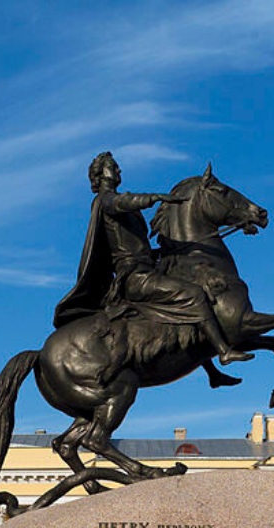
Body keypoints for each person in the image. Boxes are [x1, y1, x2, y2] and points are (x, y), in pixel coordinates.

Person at [54, 152, 252, 385]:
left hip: (147, 269)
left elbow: (141, 247)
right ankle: (223, 352)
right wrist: (155, 197)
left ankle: (212, 373)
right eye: (113, 167)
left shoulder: (123, 209)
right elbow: (121, 202)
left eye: (117, 167)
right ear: (100, 175)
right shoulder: (104, 200)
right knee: (194, 295)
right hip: (135, 278)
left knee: (185, 307)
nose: (118, 171)